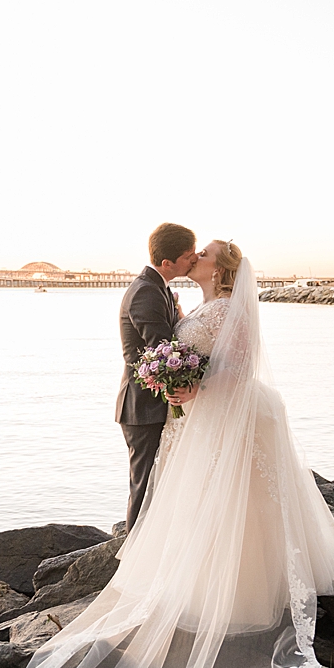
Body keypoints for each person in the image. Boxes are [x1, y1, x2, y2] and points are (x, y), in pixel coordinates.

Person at [0, 238, 334, 668]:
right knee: (205, 507)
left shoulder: (226, 311)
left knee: (232, 510)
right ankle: (215, 590)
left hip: (225, 418)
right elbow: (194, 361)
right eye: (192, 250)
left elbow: (232, 368)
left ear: (217, 268)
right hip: (210, 417)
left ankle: (243, 598)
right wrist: (182, 385)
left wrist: (188, 387)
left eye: (205, 252)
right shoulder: (199, 304)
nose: (195, 254)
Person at [115, 223, 198, 530]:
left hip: (156, 403)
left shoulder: (158, 287)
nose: (194, 259)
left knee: (159, 482)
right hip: (143, 407)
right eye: (189, 255)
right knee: (145, 485)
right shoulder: (145, 292)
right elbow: (161, 351)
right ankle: (132, 553)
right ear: (168, 263)